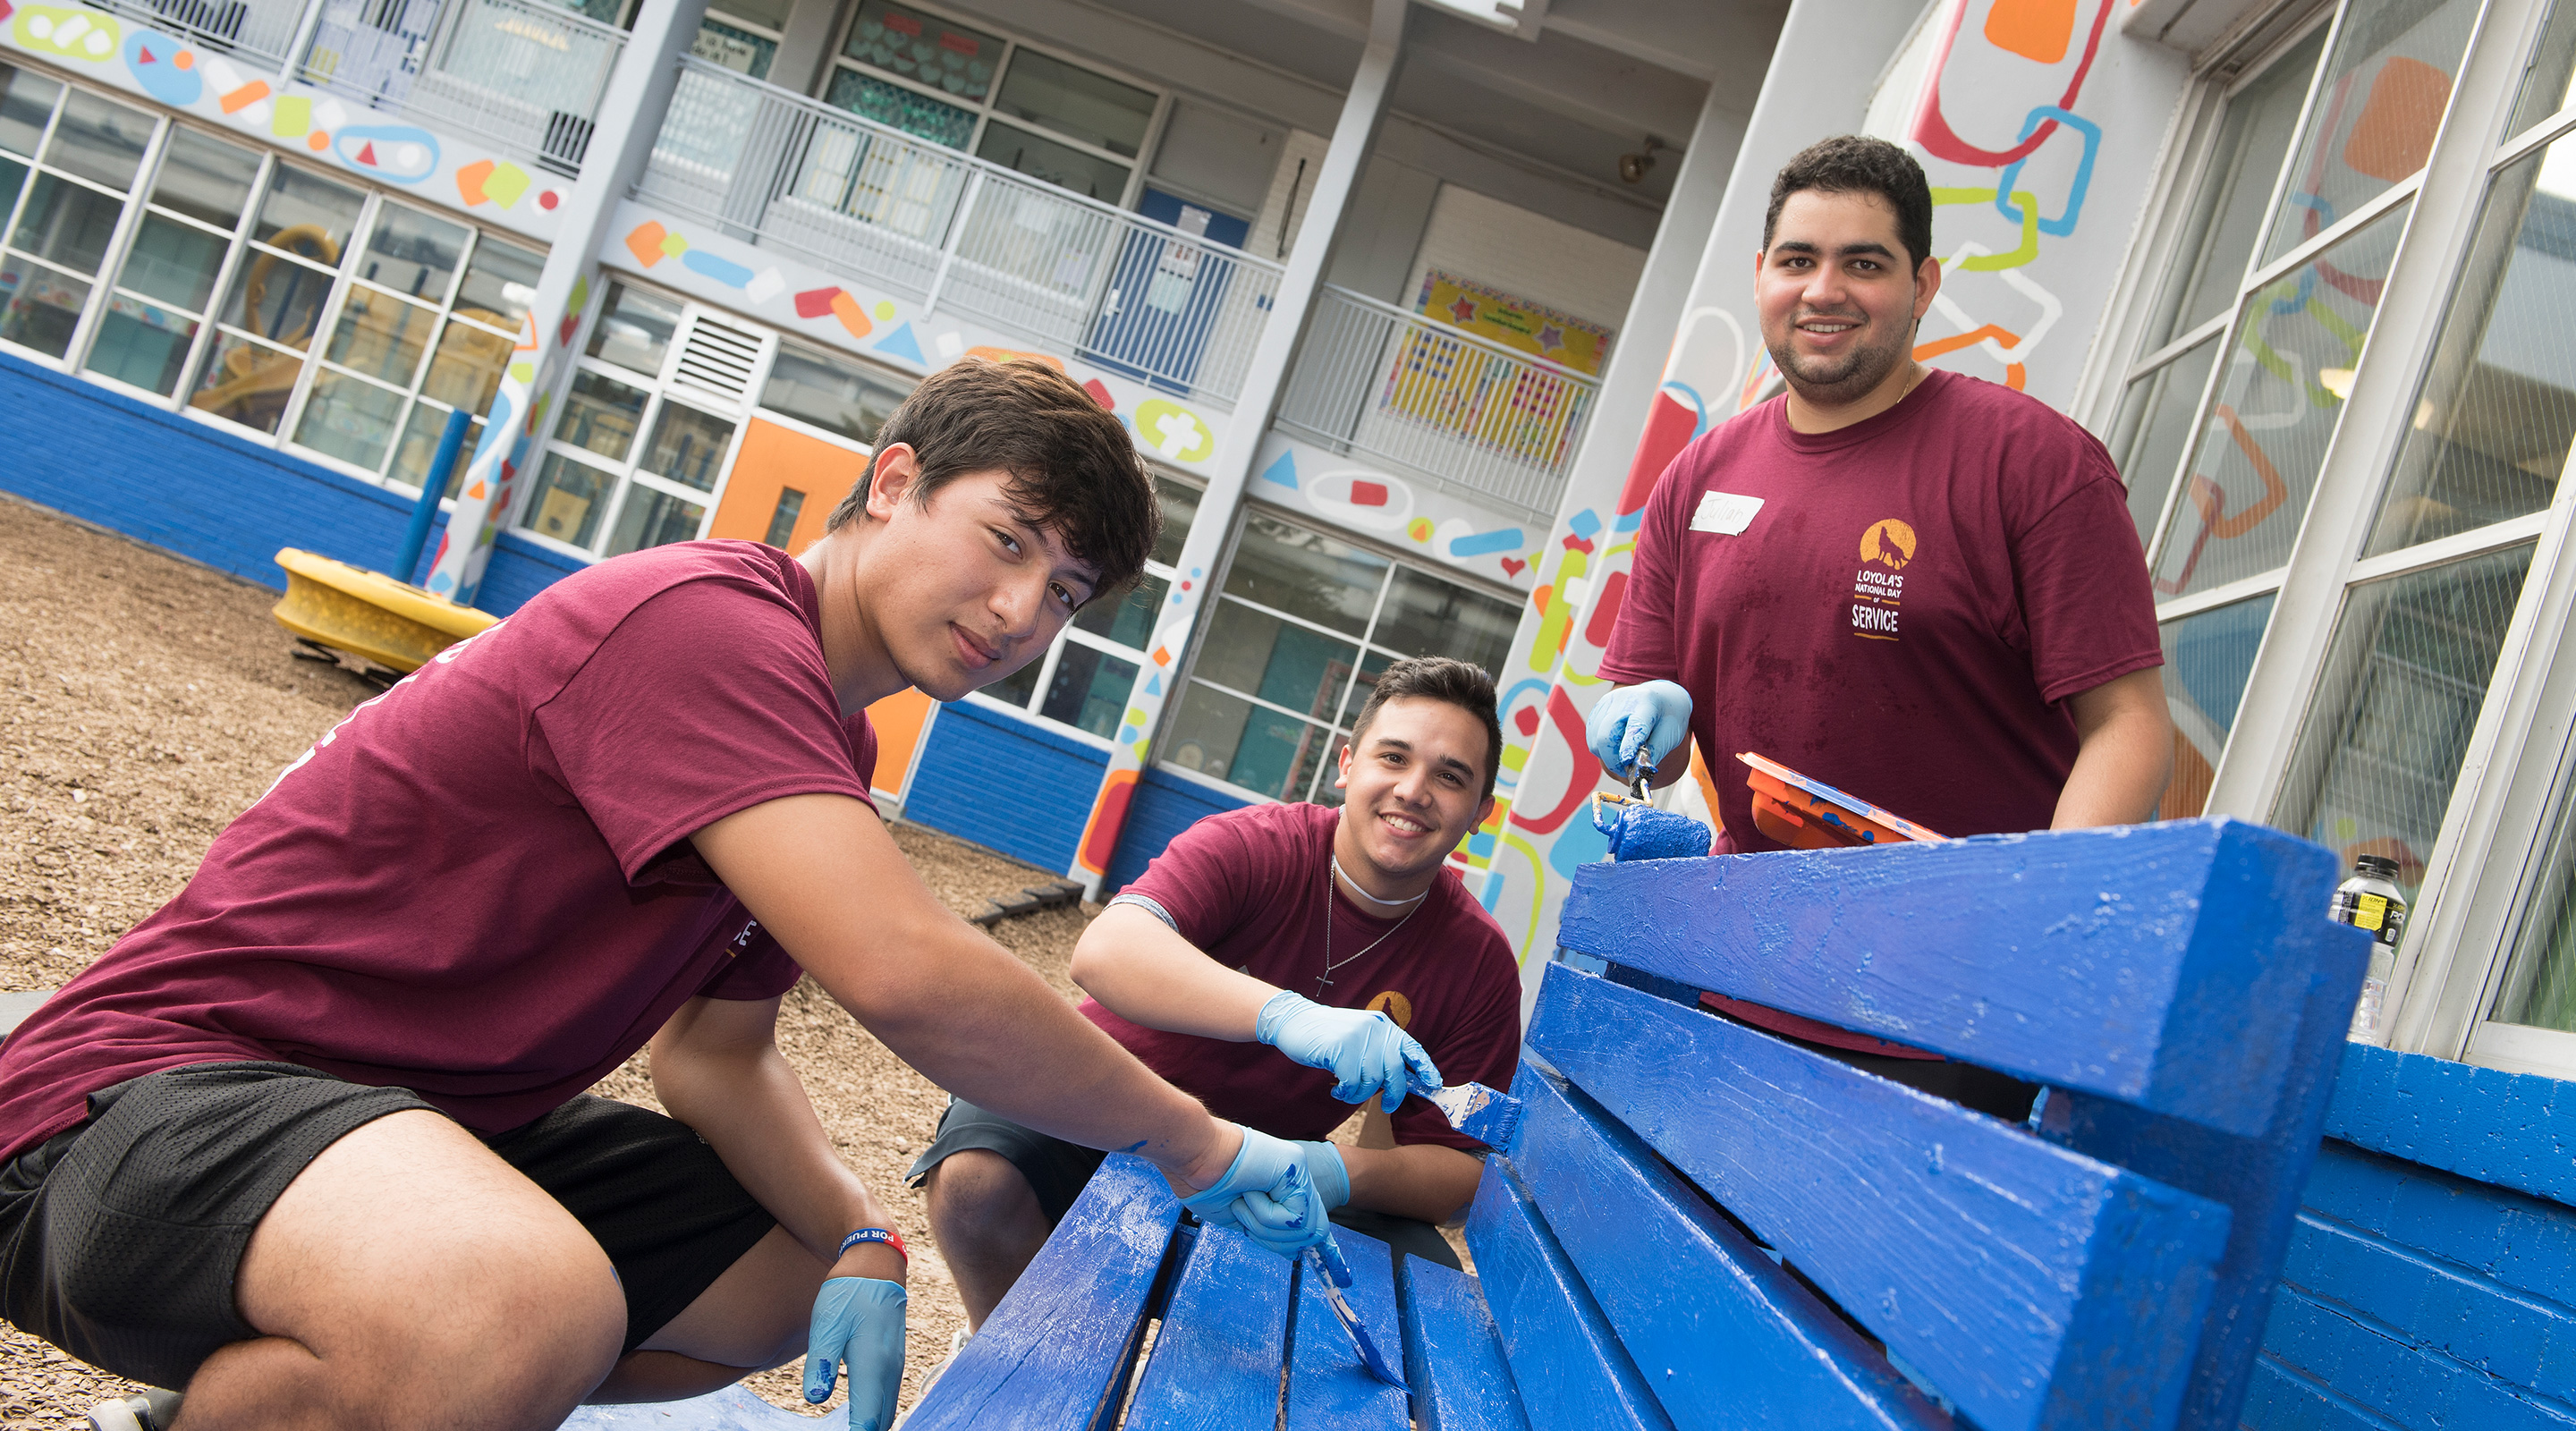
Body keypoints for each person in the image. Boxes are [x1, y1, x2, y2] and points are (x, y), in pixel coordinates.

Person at [0, 360, 1340, 1431]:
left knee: (780, 1274)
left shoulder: (833, 741)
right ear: (893, 483)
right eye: (1004, 540)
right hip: (139, 1106)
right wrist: (1194, 1139)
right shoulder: (709, 626)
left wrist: (860, 1235)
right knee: (521, 1303)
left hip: (411, 1125)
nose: (1017, 611)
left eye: (1063, 594)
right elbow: (908, 974)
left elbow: (716, 1051)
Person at [1585, 135, 2173, 1113]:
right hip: (1745, 968)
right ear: (1761, 276)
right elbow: (1666, 716)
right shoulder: (1698, 478)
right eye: (1798, 260)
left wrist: (2044, 917)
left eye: (1865, 263)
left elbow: (2131, 725)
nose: (1826, 290)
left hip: (1946, 1009)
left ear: (1923, 283)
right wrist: (1650, 713)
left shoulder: (2031, 462)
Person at [914, 656, 1522, 1331]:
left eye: (1450, 776)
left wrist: (1329, 1169)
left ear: (1480, 813)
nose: (1413, 790)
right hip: (1102, 1107)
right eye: (1394, 757)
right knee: (977, 1181)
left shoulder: (1477, 961)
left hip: (1260, 1172)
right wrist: (1283, 1015)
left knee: (1417, 1290)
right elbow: (1106, 951)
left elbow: (1460, 1170)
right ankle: (1008, 1361)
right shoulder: (1254, 845)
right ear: (1347, 765)